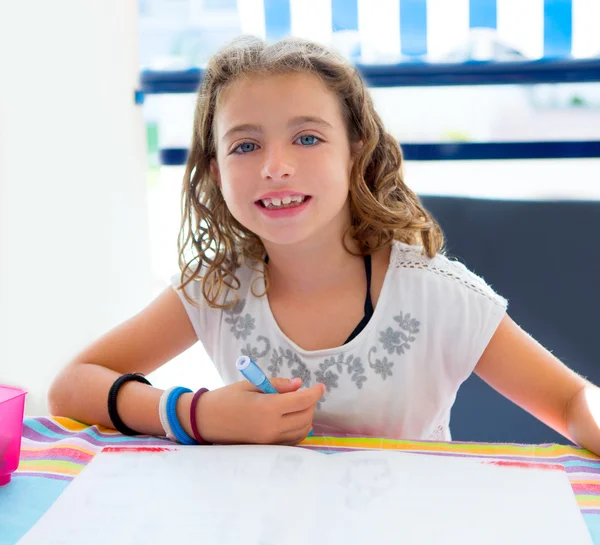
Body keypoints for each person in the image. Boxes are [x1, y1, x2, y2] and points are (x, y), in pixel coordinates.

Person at [48, 36, 600, 453]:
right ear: (216, 172)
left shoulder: (435, 293)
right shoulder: (216, 290)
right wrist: (197, 414)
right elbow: (72, 386)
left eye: (307, 137)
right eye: (245, 145)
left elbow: (575, 401)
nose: (276, 167)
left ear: (356, 152)